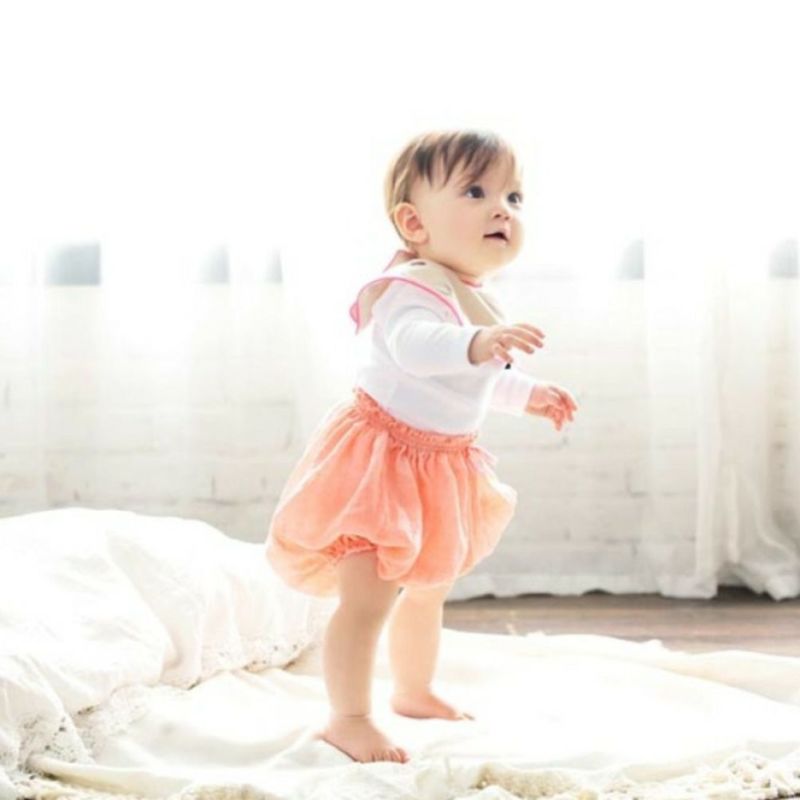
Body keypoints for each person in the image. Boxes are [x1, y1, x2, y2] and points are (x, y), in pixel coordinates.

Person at [264, 129, 578, 764]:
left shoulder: (474, 298)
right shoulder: (410, 287)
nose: (502, 209)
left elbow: (475, 378)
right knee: (369, 597)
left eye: (514, 197)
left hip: (439, 464)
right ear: (414, 223)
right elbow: (418, 348)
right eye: (476, 192)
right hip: (380, 464)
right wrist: (479, 344)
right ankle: (348, 718)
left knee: (429, 588)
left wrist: (529, 393)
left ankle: (413, 689)